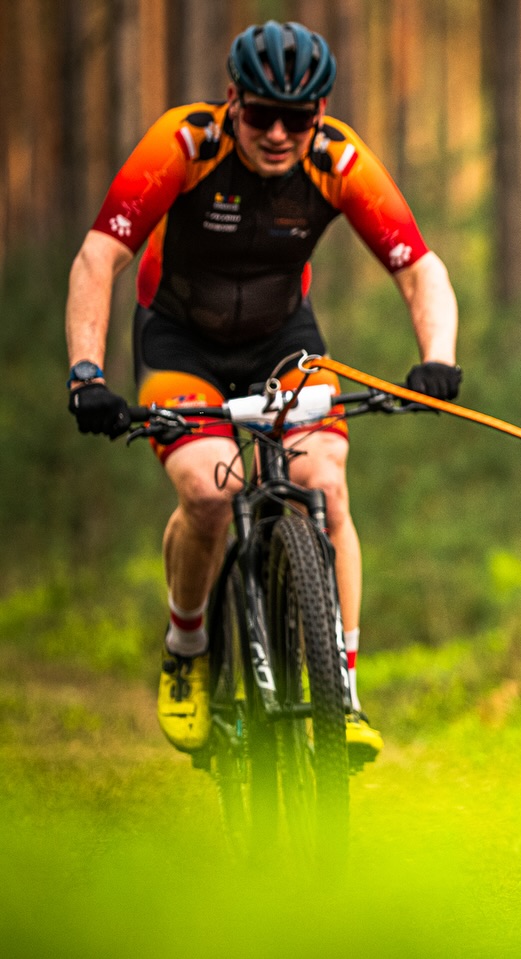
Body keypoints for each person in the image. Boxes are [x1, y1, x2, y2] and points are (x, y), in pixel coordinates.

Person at [64, 20, 461, 766]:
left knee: (327, 487)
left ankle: (341, 690)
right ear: (232, 101)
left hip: (284, 343)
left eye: (298, 118)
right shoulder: (184, 146)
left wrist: (436, 358)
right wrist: (88, 373)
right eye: (261, 115)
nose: (278, 134)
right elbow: (100, 254)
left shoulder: (339, 160)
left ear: (319, 114)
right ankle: (187, 646)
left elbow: (421, 269)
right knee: (213, 493)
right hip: (180, 342)